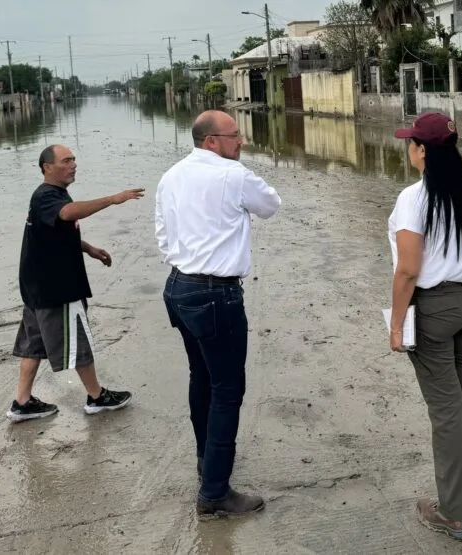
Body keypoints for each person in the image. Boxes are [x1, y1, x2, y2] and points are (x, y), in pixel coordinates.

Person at [155, 111, 281, 520]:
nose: (241, 141)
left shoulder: (171, 176)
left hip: (178, 287)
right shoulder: (233, 175)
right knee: (227, 389)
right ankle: (214, 493)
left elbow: (163, 234)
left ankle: (206, 460)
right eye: (234, 135)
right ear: (211, 141)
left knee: (202, 377)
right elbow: (271, 205)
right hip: (215, 293)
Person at [389, 112, 462, 542]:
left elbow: (408, 270)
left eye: (411, 143)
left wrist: (397, 323)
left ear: (422, 151)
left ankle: (455, 513)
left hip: (435, 309)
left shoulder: (413, 198)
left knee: (447, 411)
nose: (409, 149)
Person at [8, 144, 145, 422]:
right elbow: (68, 213)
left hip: (37, 288)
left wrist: (88, 248)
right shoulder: (47, 195)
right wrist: (113, 199)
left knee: (33, 345)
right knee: (77, 339)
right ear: (47, 167)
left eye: (73, 160)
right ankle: (97, 397)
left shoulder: (52, 195)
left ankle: (21, 402)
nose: (73, 165)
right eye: (66, 161)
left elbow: (54, 232)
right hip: (56, 288)